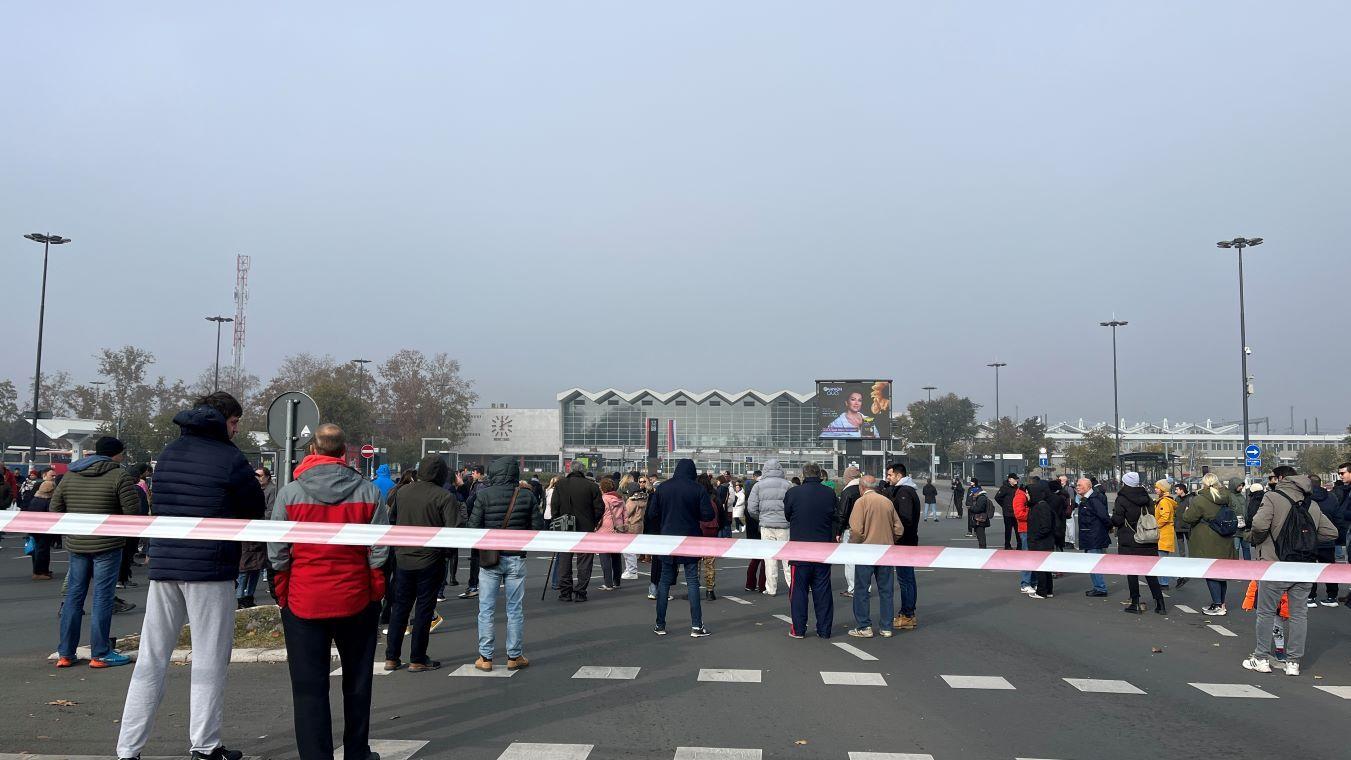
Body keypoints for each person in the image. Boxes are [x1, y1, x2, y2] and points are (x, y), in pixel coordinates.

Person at [116, 394, 265, 760]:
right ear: (221, 420)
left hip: (165, 565)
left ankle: (128, 749)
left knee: (152, 658)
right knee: (210, 658)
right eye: (234, 422)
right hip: (210, 567)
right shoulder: (230, 458)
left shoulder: (168, 453)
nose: (237, 429)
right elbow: (254, 509)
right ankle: (205, 745)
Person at [268, 424, 388, 760]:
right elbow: (380, 548)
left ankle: (315, 755)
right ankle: (356, 752)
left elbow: (278, 550)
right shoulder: (368, 492)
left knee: (309, 688)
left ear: (313, 450)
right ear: (343, 452)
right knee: (358, 683)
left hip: (305, 601)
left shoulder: (290, 494)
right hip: (356, 598)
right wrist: (375, 589)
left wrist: (282, 591)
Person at [50, 436, 141, 669]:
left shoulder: (70, 474)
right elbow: (132, 512)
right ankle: (100, 653)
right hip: (108, 546)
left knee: (73, 597)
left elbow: (55, 508)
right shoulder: (119, 475)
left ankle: (65, 653)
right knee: (102, 597)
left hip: (77, 545)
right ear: (116, 454)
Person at [1243, 466, 1337, 676]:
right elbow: (1331, 532)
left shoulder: (1273, 498)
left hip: (1274, 565)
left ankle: (1261, 658)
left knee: (1266, 612)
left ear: (1281, 478)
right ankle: (1293, 663)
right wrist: (1305, 541)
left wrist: (1259, 540)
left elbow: (1258, 525)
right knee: (1298, 615)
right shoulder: (1311, 503)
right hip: (1303, 566)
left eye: (1273, 478)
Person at [467, 456, 543, 671]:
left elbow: (473, 528)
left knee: (486, 609)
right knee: (514, 610)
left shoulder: (483, 495)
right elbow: (537, 528)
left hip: (489, 558)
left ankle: (486, 657)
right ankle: (514, 656)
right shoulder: (526, 496)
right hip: (516, 557)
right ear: (514, 474)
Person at [383, 454, 458, 673]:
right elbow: (453, 531)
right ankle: (417, 658)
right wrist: (446, 556)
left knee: (400, 609)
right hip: (431, 560)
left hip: (403, 559)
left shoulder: (402, 492)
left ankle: (391, 657)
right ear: (442, 474)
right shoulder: (444, 497)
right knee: (424, 611)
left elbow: (393, 521)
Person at [646, 458, 714, 637]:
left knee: (664, 582)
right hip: (690, 538)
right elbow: (708, 515)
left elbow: (652, 513)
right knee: (692, 581)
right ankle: (696, 626)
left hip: (667, 538)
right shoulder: (697, 489)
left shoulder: (662, 488)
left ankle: (660, 625)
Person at [784, 463, 837, 639]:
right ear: (820, 475)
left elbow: (787, 515)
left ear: (803, 475)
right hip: (823, 548)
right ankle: (824, 630)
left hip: (799, 549)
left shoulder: (793, 493)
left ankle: (798, 629)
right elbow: (834, 516)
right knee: (823, 591)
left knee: (799, 591)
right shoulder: (829, 493)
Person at [847, 476, 903, 638]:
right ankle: (886, 627)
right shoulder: (887, 502)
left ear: (862, 487)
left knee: (862, 590)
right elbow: (899, 529)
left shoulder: (861, 502)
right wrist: (890, 538)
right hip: (885, 551)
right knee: (886, 590)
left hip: (865, 551)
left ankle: (864, 626)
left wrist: (854, 544)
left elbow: (856, 530)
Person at [1179, 473, 1237, 615]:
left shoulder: (1200, 499)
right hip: (1224, 537)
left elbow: (1188, 518)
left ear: (1203, 484)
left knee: (1210, 572)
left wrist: (1186, 511)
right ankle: (1221, 603)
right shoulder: (1227, 496)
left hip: (1206, 539)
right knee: (1221, 573)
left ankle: (1217, 605)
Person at [1112, 472, 1165, 614]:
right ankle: (1160, 603)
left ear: (1125, 483)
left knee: (1132, 572)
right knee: (1151, 573)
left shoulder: (1122, 499)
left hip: (1131, 540)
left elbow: (1117, 520)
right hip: (1148, 539)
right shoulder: (1146, 497)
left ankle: (1135, 602)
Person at [550, 462, 604, 602]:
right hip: (586, 527)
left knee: (564, 560)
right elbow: (599, 508)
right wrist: (593, 521)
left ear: (570, 470)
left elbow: (554, 506)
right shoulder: (591, 486)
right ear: (583, 471)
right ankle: (580, 591)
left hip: (564, 526)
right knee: (585, 560)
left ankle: (565, 592)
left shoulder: (560, 485)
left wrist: (557, 519)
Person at [885, 462, 922, 630]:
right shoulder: (906, 490)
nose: (887, 478)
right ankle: (908, 613)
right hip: (908, 541)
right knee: (907, 578)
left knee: (905, 579)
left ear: (899, 476)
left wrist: (895, 534)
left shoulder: (904, 492)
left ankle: (907, 614)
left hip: (904, 542)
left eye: (890, 475)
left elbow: (905, 519)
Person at [747, 459, 792, 596]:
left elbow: (751, 508)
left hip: (766, 525)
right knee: (787, 559)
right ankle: (792, 585)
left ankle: (771, 588)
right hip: (785, 525)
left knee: (769, 558)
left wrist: (761, 518)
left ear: (765, 469)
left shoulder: (758, 486)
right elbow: (792, 506)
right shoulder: (788, 485)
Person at [1307, 475, 1343, 607]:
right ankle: (1332, 597)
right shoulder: (1332, 497)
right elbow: (1338, 517)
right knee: (1329, 569)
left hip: (1309, 540)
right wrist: (1336, 534)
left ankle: (1310, 597)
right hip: (1328, 540)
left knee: (1310, 569)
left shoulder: (1305, 498)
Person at [1076, 477, 1111, 597]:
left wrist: (1106, 529)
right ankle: (1098, 587)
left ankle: (1100, 588)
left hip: (1093, 536)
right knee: (1092, 562)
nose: (1077, 487)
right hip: (1090, 535)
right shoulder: (1087, 499)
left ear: (1089, 486)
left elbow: (1104, 516)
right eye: (1077, 485)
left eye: (1080, 485)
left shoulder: (1093, 499)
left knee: (1094, 563)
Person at [1025, 479, 1057, 598]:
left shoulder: (1041, 507)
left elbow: (1046, 527)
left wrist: (1035, 537)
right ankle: (1048, 590)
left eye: (1028, 493)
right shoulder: (1037, 506)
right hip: (1042, 542)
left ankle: (1042, 591)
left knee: (1041, 568)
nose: (1026, 495)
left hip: (1041, 543)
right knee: (1045, 568)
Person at [24, 468, 57, 580]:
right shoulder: (47, 501)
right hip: (43, 528)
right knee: (42, 549)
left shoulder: (36, 499)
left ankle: (43, 570)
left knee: (40, 549)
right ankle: (39, 572)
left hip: (35, 528)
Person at [835, 466, 862, 597]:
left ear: (848, 477)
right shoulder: (866, 489)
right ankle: (865, 587)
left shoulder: (848, 492)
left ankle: (852, 588)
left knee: (850, 560)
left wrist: (838, 532)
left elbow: (842, 514)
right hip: (865, 530)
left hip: (850, 530)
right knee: (863, 561)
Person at [597, 478, 626, 591]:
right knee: (616, 557)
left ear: (603, 488)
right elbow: (625, 514)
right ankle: (617, 581)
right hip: (618, 529)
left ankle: (608, 583)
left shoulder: (603, 499)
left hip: (605, 529)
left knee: (605, 557)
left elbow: (599, 514)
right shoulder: (620, 499)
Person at [1153, 480, 1178, 590]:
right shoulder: (1164, 501)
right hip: (1165, 533)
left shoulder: (1163, 502)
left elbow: (1165, 517)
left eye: (1157, 487)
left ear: (1163, 489)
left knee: (1161, 559)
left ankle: (1165, 582)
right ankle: (1166, 580)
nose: (1155, 489)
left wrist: (1155, 526)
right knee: (1163, 559)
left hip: (1163, 533)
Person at [967, 479, 995, 548]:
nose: (973, 496)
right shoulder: (982, 497)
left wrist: (971, 508)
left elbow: (978, 509)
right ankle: (982, 547)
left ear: (977, 492)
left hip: (980, 520)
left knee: (981, 536)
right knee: (980, 536)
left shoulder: (981, 498)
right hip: (981, 519)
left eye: (974, 494)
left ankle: (982, 549)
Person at [996, 473, 1020, 550]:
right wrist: (1004, 505)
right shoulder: (1004, 488)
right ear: (1010, 479)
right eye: (1014, 479)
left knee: (1018, 530)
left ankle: (1019, 545)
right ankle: (1007, 545)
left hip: (1016, 512)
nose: (1016, 480)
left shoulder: (1017, 488)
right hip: (1008, 513)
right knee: (1008, 530)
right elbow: (997, 497)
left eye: (1017, 479)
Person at [1172, 482, 1193, 561]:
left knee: (1189, 542)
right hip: (1178, 524)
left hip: (1187, 525)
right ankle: (1182, 558)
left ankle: (1191, 558)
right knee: (1180, 542)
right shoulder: (1177, 499)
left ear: (1182, 490)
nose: (1176, 491)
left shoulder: (1190, 498)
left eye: (1177, 489)